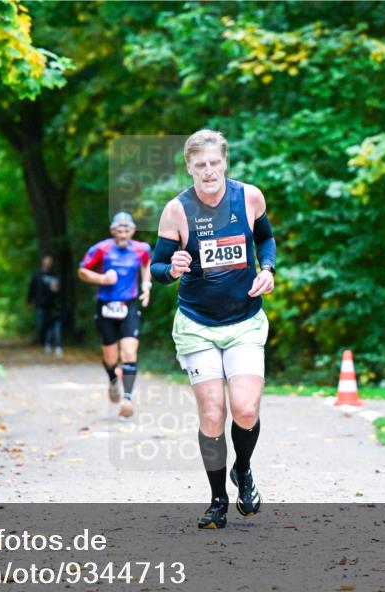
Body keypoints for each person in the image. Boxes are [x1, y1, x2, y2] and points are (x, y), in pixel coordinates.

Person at [150, 129, 276, 529]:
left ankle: (244, 469)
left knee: (246, 409)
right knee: (211, 413)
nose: (208, 171)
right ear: (189, 167)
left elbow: (266, 239)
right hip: (197, 325)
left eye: (214, 163)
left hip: (244, 321)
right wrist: (171, 269)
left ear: (225, 162)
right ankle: (218, 499)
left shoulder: (249, 197)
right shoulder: (177, 211)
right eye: (200, 164)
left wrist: (268, 269)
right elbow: (156, 268)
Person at [77, 212, 152, 418]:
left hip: (129, 305)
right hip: (106, 306)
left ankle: (127, 398)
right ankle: (112, 378)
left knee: (129, 352)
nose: (123, 234)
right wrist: (102, 279)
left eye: (127, 230)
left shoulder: (142, 249)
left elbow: (146, 264)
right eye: (119, 230)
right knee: (110, 358)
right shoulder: (101, 249)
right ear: (112, 231)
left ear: (133, 231)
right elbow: (82, 271)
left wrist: (146, 285)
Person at [27, 255, 63, 356]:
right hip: (41, 305)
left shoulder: (55, 275)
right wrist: (29, 301)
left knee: (53, 325)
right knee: (42, 325)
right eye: (46, 261)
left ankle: (55, 345)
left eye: (50, 262)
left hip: (53, 306)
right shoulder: (37, 275)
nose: (48, 264)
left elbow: (59, 290)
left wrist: (56, 290)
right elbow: (32, 288)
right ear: (43, 262)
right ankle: (45, 343)